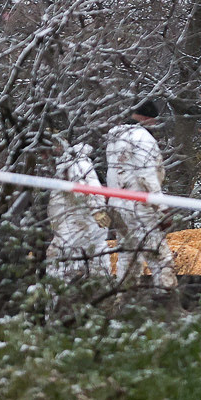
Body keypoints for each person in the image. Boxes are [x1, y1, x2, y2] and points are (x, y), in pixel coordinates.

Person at [106, 99, 175, 290]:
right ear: (146, 118)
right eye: (153, 120)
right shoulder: (143, 138)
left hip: (117, 205)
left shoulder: (114, 136)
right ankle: (167, 300)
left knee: (128, 257)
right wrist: (161, 208)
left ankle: (121, 301)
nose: (154, 125)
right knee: (159, 256)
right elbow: (146, 176)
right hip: (139, 206)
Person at [45, 140, 106, 280]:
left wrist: (97, 210)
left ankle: (56, 295)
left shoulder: (74, 163)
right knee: (91, 258)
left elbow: (89, 187)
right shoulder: (67, 163)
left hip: (78, 220)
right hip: (78, 219)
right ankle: (97, 290)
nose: (43, 157)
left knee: (58, 255)